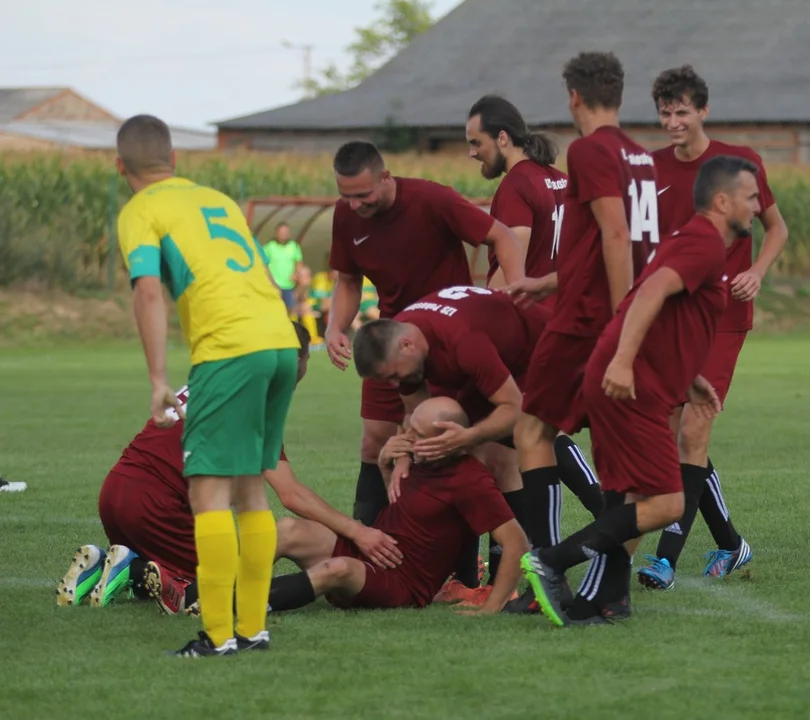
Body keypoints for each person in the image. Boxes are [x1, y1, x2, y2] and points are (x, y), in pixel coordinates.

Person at [521, 155, 762, 627]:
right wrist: (624, 361)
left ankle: (603, 600)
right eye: (751, 197)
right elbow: (649, 295)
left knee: (627, 498)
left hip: (641, 381)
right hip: (634, 388)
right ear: (722, 200)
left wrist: (692, 379)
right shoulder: (703, 244)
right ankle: (551, 561)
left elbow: (664, 307)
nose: (758, 206)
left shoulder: (699, 242)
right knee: (665, 503)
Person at [56, 324, 404, 613]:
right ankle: (126, 567)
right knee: (217, 580)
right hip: (155, 505)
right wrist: (359, 532)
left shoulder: (216, 374)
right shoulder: (259, 398)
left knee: (172, 566)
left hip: (116, 491)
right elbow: (291, 493)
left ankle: (108, 564)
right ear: (292, 360)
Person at [114, 114, 300, 657]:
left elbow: (148, 293)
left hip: (230, 349)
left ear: (120, 165)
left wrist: (157, 381)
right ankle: (254, 629)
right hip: (280, 343)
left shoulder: (141, 209)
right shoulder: (215, 198)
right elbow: (265, 276)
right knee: (249, 490)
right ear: (174, 161)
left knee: (208, 492)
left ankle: (219, 636)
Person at [504, 51, 659, 618]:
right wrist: (552, 279)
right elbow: (622, 244)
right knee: (614, 459)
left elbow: (616, 237)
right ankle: (610, 591)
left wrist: (621, 327)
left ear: (574, 96)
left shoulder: (589, 149)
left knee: (531, 429)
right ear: (619, 93)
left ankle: (544, 567)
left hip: (587, 324)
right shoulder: (641, 158)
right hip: (618, 312)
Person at [637, 65, 789, 590]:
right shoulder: (648, 169)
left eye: (682, 111)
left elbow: (777, 227)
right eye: (665, 112)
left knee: (694, 431)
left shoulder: (739, 164)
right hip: (671, 318)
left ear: (703, 110)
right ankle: (729, 542)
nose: (673, 121)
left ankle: (664, 560)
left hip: (723, 318)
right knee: (675, 436)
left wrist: (755, 271)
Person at [321, 140, 526, 528]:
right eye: (345, 196)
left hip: (446, 345)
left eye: (363, 195)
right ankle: (369, 550)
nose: (355, 205)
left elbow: (503, 237)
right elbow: (347, 280)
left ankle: (474, 569)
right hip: (390, 348)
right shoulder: (346, 215)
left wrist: (513, 296)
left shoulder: (431, 199)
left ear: (385, 177)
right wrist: (335, 326)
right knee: (378, 443)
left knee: (476, 449)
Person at [351, 285, 547, 598]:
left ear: (407, 346)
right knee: (452, 445)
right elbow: (415, 411)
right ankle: (466, 578)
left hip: (535, 353)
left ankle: (506, 584)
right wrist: (404, 454)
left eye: (394, 375)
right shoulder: (407, 340)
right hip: (486, 353)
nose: (393, 384)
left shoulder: (463, 341)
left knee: (504, 456)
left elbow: (513, 408)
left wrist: (469, 436)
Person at [466, 94, 605, 526]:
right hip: (566, 318)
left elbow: (514, 260)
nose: (473, 154)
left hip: (527, 325)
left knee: (527, 432)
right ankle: (525, 550)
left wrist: (477, 313)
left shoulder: (515, 185)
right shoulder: (559, 179)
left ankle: (601, 525)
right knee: (523, 434)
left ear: (503, 138)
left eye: (476, 143)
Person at [263, 396, 529, 615]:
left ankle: (241, 604)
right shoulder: (421, 459)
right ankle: (223, 588)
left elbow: (517, 542)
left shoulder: (470, 480)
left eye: (418, 433)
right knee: (288, 529)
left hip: (402, 584)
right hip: (374, 552)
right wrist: (385, 465)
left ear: (448, 438)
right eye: (409, 427)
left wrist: (492, 606)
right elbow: (402, 505)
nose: (408, 436)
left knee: (338, 569)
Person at [263, 222, 305, 314]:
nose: (283, 234)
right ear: (276, 233)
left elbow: (299, 262)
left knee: (290, 310)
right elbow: (263, 265)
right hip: (274, 285)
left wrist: (296, 274)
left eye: (285, 232)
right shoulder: (269, 246)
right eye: (281, 232)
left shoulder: (294, 246)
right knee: (274, 310)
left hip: (289, 285)